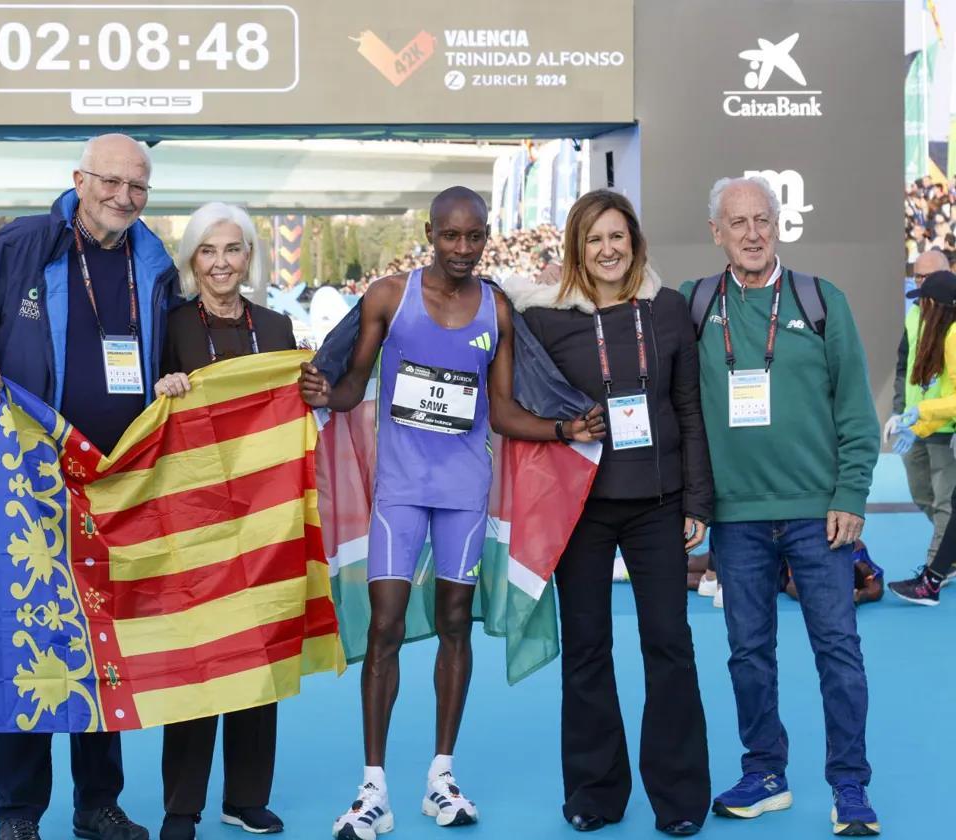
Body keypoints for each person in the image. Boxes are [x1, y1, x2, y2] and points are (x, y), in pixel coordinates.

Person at [298, 187, 605, 840]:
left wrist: (563, 429)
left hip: (465, 492)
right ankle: (373, 784)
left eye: (474, 238)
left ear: (486, 236)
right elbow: (354, 385)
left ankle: (442, 774)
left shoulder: (495, 306)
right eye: (451, 237)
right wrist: (330, 391)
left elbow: (502, 410)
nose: (463, 249)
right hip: (400, 491)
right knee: (384, 625)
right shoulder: (389, 297)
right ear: (431, 233)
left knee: (456, 622)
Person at [0, 133, 177, 840]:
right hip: (31, 486)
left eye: (138, 186)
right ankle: (19, 812)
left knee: (103, 643)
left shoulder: (154, 266)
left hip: (117, 488)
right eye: (112, 182)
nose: (123, 197)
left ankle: (99, 804)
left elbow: (177, 353)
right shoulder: (24, 246)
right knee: (29, 637)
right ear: (79, 179)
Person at [681, 176, 880, 837]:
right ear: (717, 233)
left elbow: (855, 407)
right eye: (738, 223)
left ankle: (849, 786)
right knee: (748, 652)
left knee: (839, 652)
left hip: (818, 516)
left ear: (779, 225)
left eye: (762, 219)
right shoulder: (693, 306)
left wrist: (850, 493)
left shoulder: (821, 301)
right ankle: (765, 772)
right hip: (735, 520)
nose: (752, 233)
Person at [509, 189, 711, 835]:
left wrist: (698, 500)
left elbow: (689, 410)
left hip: (658, 507)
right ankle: (595, 793)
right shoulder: (544, 320)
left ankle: (679, 802)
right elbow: (518, 391)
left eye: (617, 237)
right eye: (594, 239)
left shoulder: (670, 310)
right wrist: (566, 426)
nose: (607, 250)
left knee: (669, 646)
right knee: (588, 650)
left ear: (635, 242)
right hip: (582, 511)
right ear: (577, 247)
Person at [151, 202, 295, 840]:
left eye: (233, 250)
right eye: (208, 251)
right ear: (191, 260)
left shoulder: (278, 327)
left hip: (265, 515)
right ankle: (181, 808)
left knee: (258, 656)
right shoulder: (171, 326)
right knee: (198, 660)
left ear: (249, 257)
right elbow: (143, 410)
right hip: (195, 520)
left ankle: (245, 796)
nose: (221, 263)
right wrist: (165, 388)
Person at [887, 270, 956, 605]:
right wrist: (904, 414)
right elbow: (905, 366)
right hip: (921, 425)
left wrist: (923, 416)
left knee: (949, 504)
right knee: (925, 495)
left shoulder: (955, 334)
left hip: (945, 429)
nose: (918, 297)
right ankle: (947, 558)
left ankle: (934, 573)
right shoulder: (915, 318)